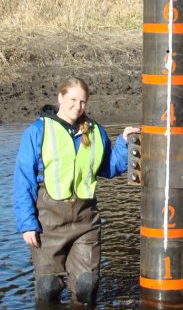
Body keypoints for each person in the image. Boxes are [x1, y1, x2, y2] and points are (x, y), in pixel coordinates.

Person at [13, 77, 138, 306]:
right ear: (60, 97)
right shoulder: (37, 131)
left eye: (82, 101)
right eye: (72, 99)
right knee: (48, 289)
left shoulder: (95, 131)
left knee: (86, 287)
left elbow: (109, 167)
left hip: (86, 222)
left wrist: (123, 142)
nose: (77, 106)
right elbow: (24, 180)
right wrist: (27, 223)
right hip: (47, 225)